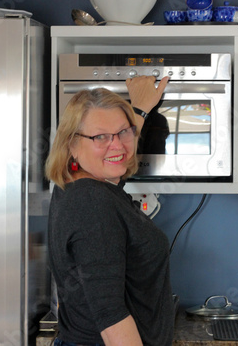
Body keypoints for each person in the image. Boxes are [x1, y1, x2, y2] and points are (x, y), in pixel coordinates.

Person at [45, 76, 173, 346]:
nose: (118, 146)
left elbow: (116, 159)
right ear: (72, 145)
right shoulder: (93, 204)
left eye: (124, 131)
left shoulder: (78, 183)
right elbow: (110, 314)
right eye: (100, 136)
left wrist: (138, 110)